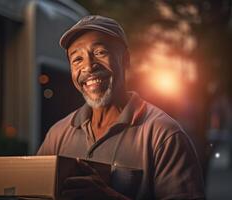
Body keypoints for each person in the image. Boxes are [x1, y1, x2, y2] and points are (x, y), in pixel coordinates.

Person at [37, 15, 205, 200]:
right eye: (77, 59)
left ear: (126, 60)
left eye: (100, 52)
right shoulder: (57, 135)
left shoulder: (164, 135)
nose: (89, 67)